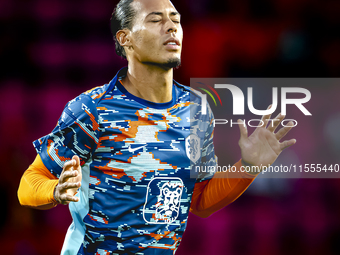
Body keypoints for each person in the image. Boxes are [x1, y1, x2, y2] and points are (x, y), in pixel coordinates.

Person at [17, 0, 296, 254]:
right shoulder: (91, 108)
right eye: (155, 19)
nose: (171, 26)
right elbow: (28, 183)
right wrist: (55, 191)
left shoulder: (197, 110)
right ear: (126, 39)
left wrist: (248, 167)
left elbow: (199, 201)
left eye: (175, 18)